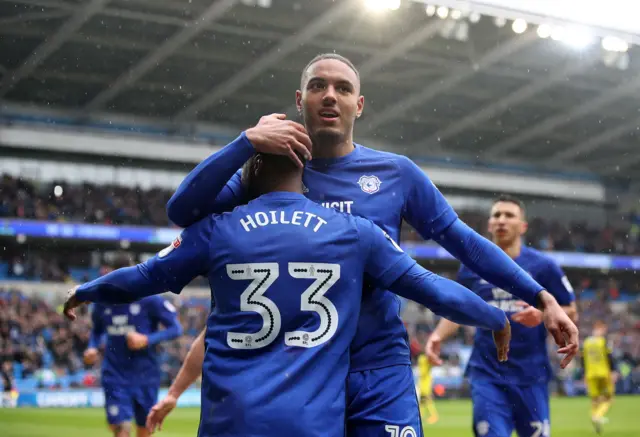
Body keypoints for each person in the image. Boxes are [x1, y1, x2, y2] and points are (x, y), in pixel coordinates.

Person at [160, 53, 579, 437]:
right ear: (299, 99)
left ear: (359, 105)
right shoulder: (266, 172)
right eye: (317, 86)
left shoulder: (394, 173)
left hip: (379, 368)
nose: (329, 96)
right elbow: (182, 210)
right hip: (298, 374)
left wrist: (542, 298)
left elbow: (466, 243)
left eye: (343, 89)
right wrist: (245, 143)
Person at [64, 150, 512, 437]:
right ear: (304, 175)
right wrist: (496, 318)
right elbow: (433, 290)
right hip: (311, 421)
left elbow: (143, 277)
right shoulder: (355, 233)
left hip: (230, 421)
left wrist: (88, 290)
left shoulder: (216, 230)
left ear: (253, 169)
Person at [426, 195, 578, 437]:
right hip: (487, 374)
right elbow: (459, 310)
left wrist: (541, 314)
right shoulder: (471, 267)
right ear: (489, 224)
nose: (501, 220)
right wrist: (437, 336)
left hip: (531, 375)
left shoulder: (545, 267)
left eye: (509, 215)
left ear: (523, 226)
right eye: (496, 215)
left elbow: (570, 310)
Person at [83, 257, 183, 437]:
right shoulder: (102, 302)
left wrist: (147, 339)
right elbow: (97, 331)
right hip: (114, 374)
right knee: (120, 428)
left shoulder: (150, 300)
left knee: (144, 430)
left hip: (145, 375)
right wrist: (92, 347)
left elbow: (176, 329)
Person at [583, 320, 617, 434]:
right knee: (609, 398)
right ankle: (597, 416)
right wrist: (613, 371)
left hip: (590, 374)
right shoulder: (604, 341)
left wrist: (584, 374)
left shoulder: (586, 342)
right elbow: (610, 357)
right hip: (603, 373)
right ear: (601, 328)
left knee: (595, 399)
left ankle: (594, 416)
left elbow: (582, 360)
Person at [417, 351, 438, 424]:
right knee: (422, 400)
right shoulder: (423, 358)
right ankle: (421, 415)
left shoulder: (423, 359)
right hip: (423, 381)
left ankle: (434, 416)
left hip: (425, 382)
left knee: (427, 399)